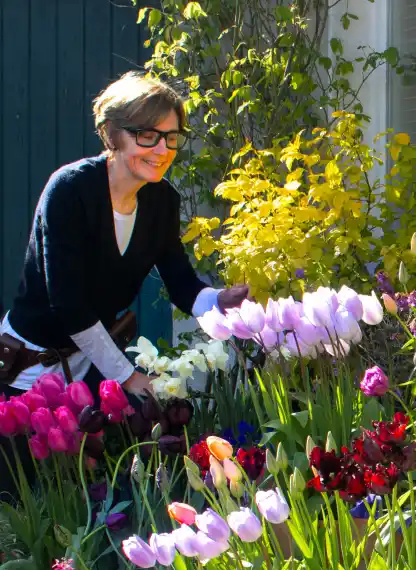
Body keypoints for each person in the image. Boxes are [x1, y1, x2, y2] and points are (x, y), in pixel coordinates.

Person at [0, 71, 247, 395]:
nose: (162, 149)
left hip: (91, 368)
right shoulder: (69, 190)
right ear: (112, 134)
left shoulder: (162, 201)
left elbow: (181, 282)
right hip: (25, 372)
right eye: (147, 135)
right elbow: (68, 303)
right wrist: (127, 377)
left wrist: (218, 300)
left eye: (171, 137)